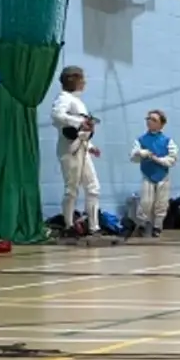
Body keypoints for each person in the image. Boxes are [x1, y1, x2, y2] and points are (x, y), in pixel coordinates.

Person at [49, 66, 99, 237]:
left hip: (82, 149)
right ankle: (69, 226)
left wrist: (91, 146)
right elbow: (57, 115)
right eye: (82, 79)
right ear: (73, 80)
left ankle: (94, 228)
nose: (84, 82)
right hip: (69, 150)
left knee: (93, 188)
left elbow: (81, 130)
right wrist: (78, 123)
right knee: (71, 189)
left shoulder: (78, 101)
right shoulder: (63, 98)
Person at [130, 110, 177, 238]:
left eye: (154, 120)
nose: (150, 121)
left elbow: (172, 159)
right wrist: (140, 153)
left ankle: (157, 226)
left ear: (161, 124)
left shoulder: (167, 141)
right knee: (146, 202)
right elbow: (133, 157)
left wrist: (158, 160)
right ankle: (142, 224)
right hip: (147, 174)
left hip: (163, 176)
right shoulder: (141, 140)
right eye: (148, 119)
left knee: (161, 203)